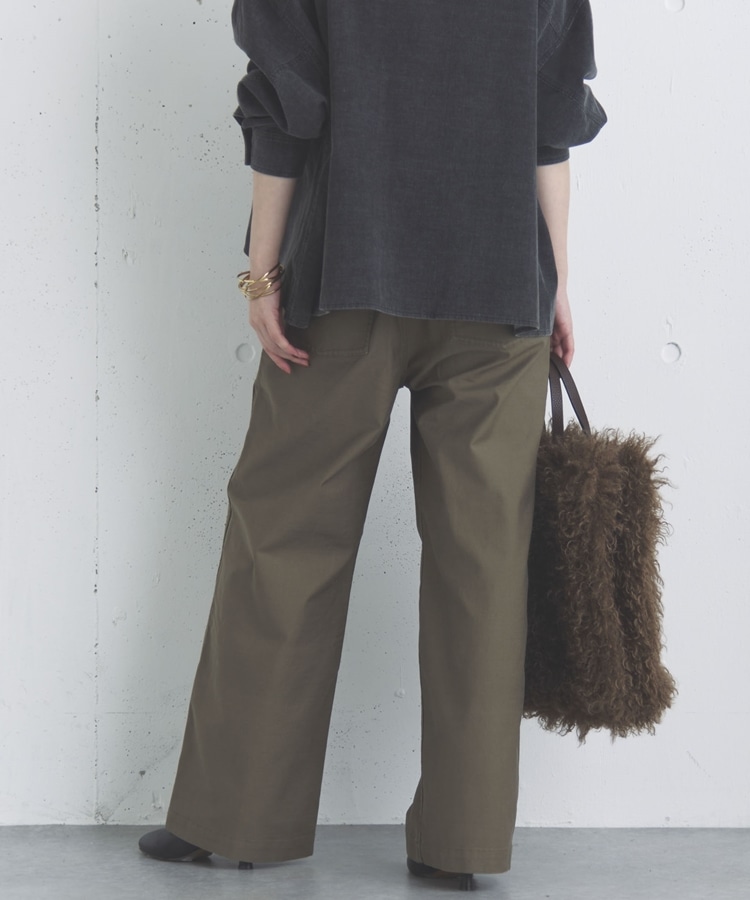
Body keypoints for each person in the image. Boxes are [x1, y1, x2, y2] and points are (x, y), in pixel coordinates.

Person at [138, 0, 606, 891]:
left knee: (285, 539)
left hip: (342, 279)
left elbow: (283, 108)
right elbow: (553, 115)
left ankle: (237, 818)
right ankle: (463, 845)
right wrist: (554, 279)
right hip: (499, 286)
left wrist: (260, 275)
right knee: (483, 568)